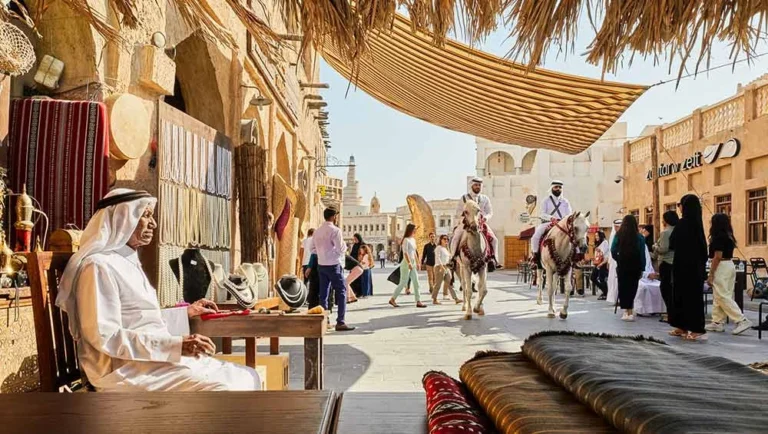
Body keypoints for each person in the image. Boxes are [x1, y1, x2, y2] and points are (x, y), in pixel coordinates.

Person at [55, 188, 262, 391]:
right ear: (122, 218)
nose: (153, 223)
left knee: (249, 376)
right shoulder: (98, 266)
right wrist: (175, 346)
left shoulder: (125, 260)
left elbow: (140, 319)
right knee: (224, 389)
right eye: (145, 215)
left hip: (151, 360)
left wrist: (185, 313)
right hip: (123, 370)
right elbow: (105, 336)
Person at [669, 194, 708, 341]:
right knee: (690, 297)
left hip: (683, 266)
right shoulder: (697, 224)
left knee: (685, 297)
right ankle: (683, 327)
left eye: (680, 205)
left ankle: (696, 329)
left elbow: (672, 242)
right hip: (694, 268)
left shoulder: (683, 223)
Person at [705, 213, 753, 335]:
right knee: (721, 294)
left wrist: (711, 274)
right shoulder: (729, 236)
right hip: (729, 265)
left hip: (721, 266)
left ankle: (741, 320)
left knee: (722, 295)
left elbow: (717, 257)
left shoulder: (718, 237)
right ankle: (717, 322)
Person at [314, 208, 356, 331]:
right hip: (333, 264)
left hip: (321, 264)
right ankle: (340, 322)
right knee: (341, 291)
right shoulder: (335, 230)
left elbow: (312, 248)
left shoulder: (317, 231)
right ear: (333, 217)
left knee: (324, 293)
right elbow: (340, 248)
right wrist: (338, 251)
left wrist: (322, 254)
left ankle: (324, 320)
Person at [451, 177, 499, 269]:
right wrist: (466, 218)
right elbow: (458, 212)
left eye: (479, 185)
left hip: (481, 223)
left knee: (494, 239)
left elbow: (490, 212)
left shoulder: (485, 198)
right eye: (476, 185)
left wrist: (485, 218)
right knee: (456, 237)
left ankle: (494, 259)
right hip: (466, 223)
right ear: (472, 186)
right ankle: (452, 258)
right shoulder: (464, 198)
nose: (478, 187)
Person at [530, 180, 573, 279]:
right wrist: (551, 218)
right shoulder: (546, 200)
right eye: (556, 187)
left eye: (560, 187)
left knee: (574, 235)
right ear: (552, 188)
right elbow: (542, 214)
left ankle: (577, 257)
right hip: (548, 223)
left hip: (562, 224)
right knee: (535, 236)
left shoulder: (565, 202)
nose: (558, 189)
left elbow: (569, 214)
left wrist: (564, 221)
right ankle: (535, 256)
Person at [610, 214, 646, 322]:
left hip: (622, 265)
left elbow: (613, 250)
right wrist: (642, 267)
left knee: (623, 287)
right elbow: (642, 254)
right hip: (635, 266)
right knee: (632, 288)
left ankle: (626, 311)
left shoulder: (618, 235)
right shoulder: (639, 237)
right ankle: (630, 310)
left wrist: (618, 259)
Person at [390, 223, 427, 308]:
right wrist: (409, 263)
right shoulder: (405, 240)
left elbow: (414, 252)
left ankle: (418, 301)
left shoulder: (413, 240)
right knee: (403, 282)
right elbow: (405, 252)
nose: (415, 230)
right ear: (411, 230)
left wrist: (418, 262)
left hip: (413, 263)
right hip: (406, 263)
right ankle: (392, 299)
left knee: (416, 282)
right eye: (414, 229)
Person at [654, 211, 678, 322]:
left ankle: (670, 314)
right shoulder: (678, 230)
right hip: (676, 263)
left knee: (666, 289)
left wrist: (655, 246)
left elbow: (663, 249)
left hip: (666, 262)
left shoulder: (665, 233)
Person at [432, 235, 461, 305]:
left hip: (447, 267)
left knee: (450, 283)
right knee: (438, 284)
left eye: (447, 239)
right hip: (439, 267)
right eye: (444, 239)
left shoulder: (446, 249)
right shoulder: (438, 248)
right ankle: (434, 299)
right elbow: (438, 258)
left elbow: (450, 258)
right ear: (441, 240)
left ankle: (456, 298)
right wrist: (442, 267)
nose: (446, 240)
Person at [606, 219, 622, 304]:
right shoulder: (613, 236)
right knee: (612, 279)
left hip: (620, 260)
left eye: (617, 227)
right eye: (615, 227)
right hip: (613, 261)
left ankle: (620, 298)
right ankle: (614, 298)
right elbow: (611, 250)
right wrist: (609, 261)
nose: (616, 228)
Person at [591, 230, 610, 300]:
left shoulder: (605, 242)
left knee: (602, 279)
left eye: (597, 235)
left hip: (603, 263)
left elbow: (604, 254)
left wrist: (598, 250)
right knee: (593, 277)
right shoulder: (598, 244)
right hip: (597, 263)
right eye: (595, 236)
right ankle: (605, 291)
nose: (596, 237)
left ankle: (605, 293)